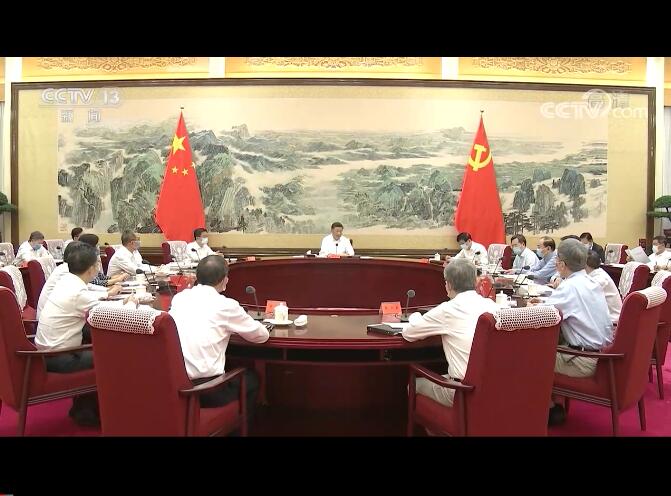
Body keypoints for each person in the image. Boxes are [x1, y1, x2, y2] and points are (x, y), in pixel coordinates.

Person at [35, 243, 136, 426]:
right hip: (60, 357)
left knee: (95, 338)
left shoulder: (67, 281)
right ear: (91, 268)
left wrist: (111, 296)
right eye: (97, 263)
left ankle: (84, 409)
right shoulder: (76, 292)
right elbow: (108, 314)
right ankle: (94, 413)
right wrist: (131, 302)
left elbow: (91, 297)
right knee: (114, 355)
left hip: (47, 352)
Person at [169, 255, 270, 420]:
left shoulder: (179, 298)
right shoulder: (226, 305)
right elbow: (261, 336)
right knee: (251, 380)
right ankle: (237, 427)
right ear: (224, 280)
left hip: (176, 386)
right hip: (207, 390)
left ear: (197, 277)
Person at [528, 239, 612, 425]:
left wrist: (529, 306)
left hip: (582, 360)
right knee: (551, 343)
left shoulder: (569, 286)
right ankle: (551, 401)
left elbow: (541, 315)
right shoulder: (591, 282)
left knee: (526, 356)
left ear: (561, 264)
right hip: (601, 356)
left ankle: (547, 409)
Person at [402, 258, 498, 407]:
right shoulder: (492, 306)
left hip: (463, 391)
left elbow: (409, 333)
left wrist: (414, 316)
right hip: (493, 387)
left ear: (449, 285)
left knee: (414, 384)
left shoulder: (447, 310)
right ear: (475, 282)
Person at [36, 241, 123, 320]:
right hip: (53, 322)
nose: (99, 267)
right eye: (97, 264)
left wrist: (107, 291)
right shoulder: (65, 273)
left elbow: (88, 289)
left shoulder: (69, 274)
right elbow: (86, 299)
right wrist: (113, 295)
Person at [585, 249, 622, 326]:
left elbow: (581, 297)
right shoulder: (594, 274)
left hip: (611, 322)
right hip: (602, 318)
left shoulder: (599, 279)